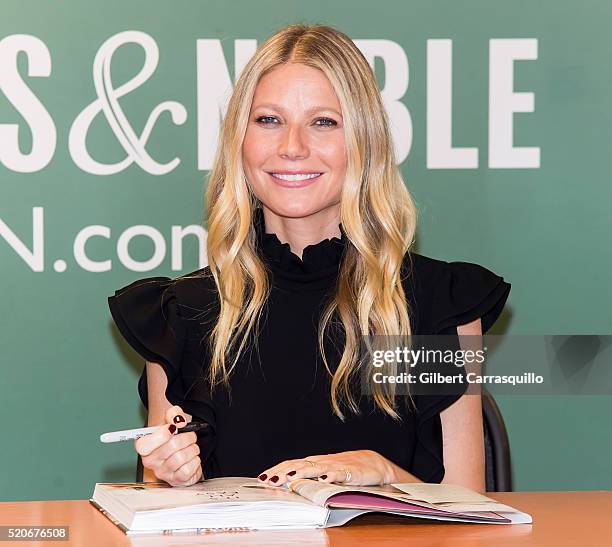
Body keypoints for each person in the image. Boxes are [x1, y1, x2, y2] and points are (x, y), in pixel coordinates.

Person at [108, 23, 510, 493]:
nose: (292, 147)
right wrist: (174, 475)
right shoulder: (178, 314)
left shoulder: (442, 305)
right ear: (240, 141)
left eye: (324, 122)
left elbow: (471, 510)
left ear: (363, 142)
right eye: (268, 120)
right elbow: (159, 510)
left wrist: (380, 472)